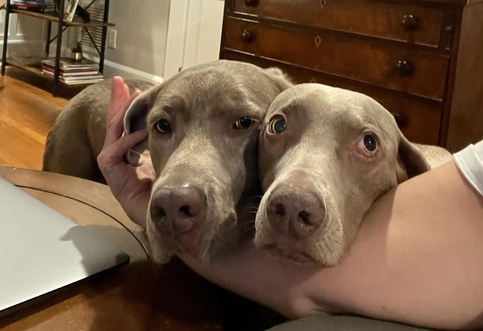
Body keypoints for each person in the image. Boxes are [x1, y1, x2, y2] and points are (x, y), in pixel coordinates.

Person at [98, 77, 483, 330]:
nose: (295, 193)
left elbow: (307, 293)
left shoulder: (423, 181)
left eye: (367, 144)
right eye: (278, 127)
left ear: (404, 172)